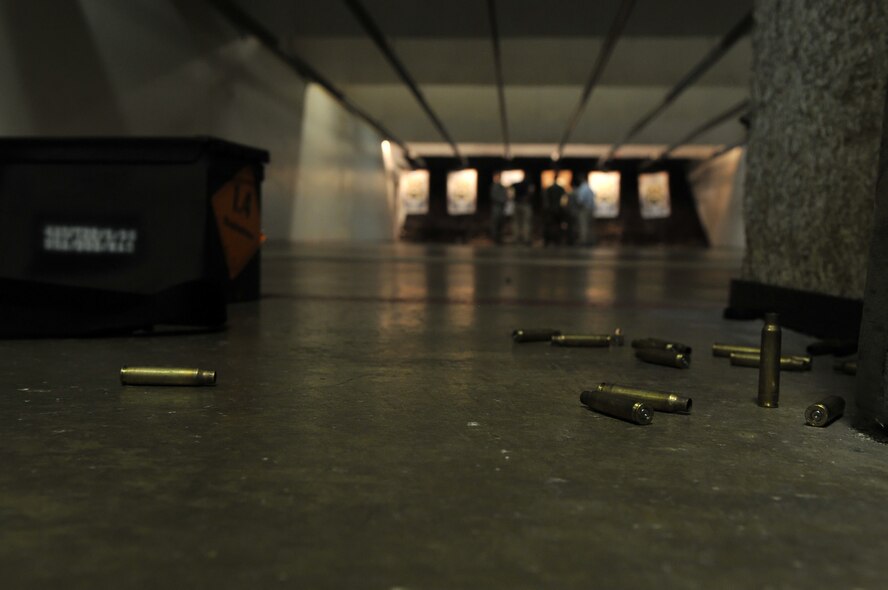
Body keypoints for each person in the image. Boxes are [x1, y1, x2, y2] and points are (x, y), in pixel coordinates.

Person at [571, 176, 597, 246]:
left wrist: (578, 207)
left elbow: (580, 200)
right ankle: (590, 240)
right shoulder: (589, 188)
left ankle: (583, 241)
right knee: (590, 226)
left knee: (583, 225)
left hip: (584, 209)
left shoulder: (582, 188)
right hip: (590, 209)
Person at [542, 177, 567, 246]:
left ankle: (551, 240)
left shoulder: (550, 188)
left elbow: (546, 199)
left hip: (551, 209)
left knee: (551, 225)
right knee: (556, 225)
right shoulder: (560, 188)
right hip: (557, 209)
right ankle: (556, 240)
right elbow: (564, 199)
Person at [512, 178, 535, 245]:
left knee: (516, 223)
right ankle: (526, 239)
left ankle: (516, 239)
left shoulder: (516, 184)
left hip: (517, 204)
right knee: (526, 222)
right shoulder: (529, 184)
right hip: (525, 205)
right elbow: (531, 193)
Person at [489, 173, 508, 243]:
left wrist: (504, 200)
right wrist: (502, 200)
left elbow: (506, 196)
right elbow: (493, 197)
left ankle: (499, 238)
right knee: (495, 223)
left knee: (501, 223)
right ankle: (495, 238)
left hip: (501, 208)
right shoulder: (494, 186)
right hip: (496, 207)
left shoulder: (502, 187)